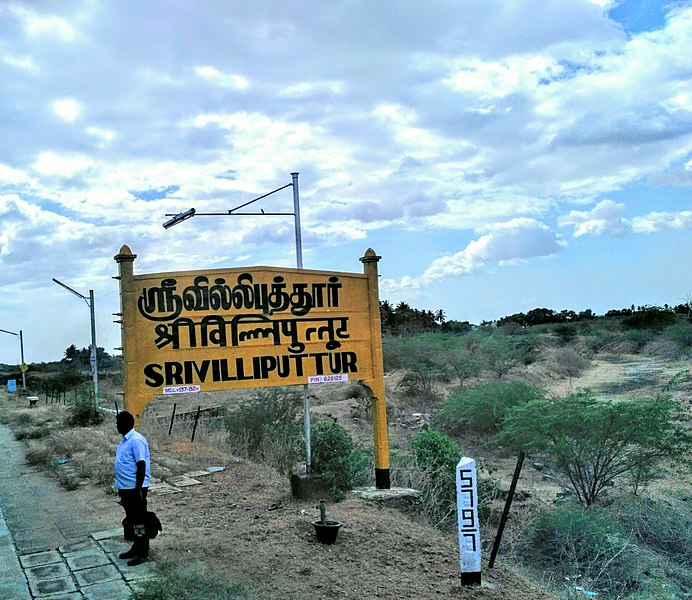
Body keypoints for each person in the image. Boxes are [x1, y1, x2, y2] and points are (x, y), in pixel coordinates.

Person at [114, 411, 151, 566]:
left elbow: (141, 465)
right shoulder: (125, 440)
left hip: (135, 489)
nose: (116, 426)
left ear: (126, 424)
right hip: (125, 488)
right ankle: (136, 547)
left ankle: (142, 552)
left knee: (139, 521)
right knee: (132, 520)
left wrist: (138, 490)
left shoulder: (136, 440)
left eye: (118, 423)